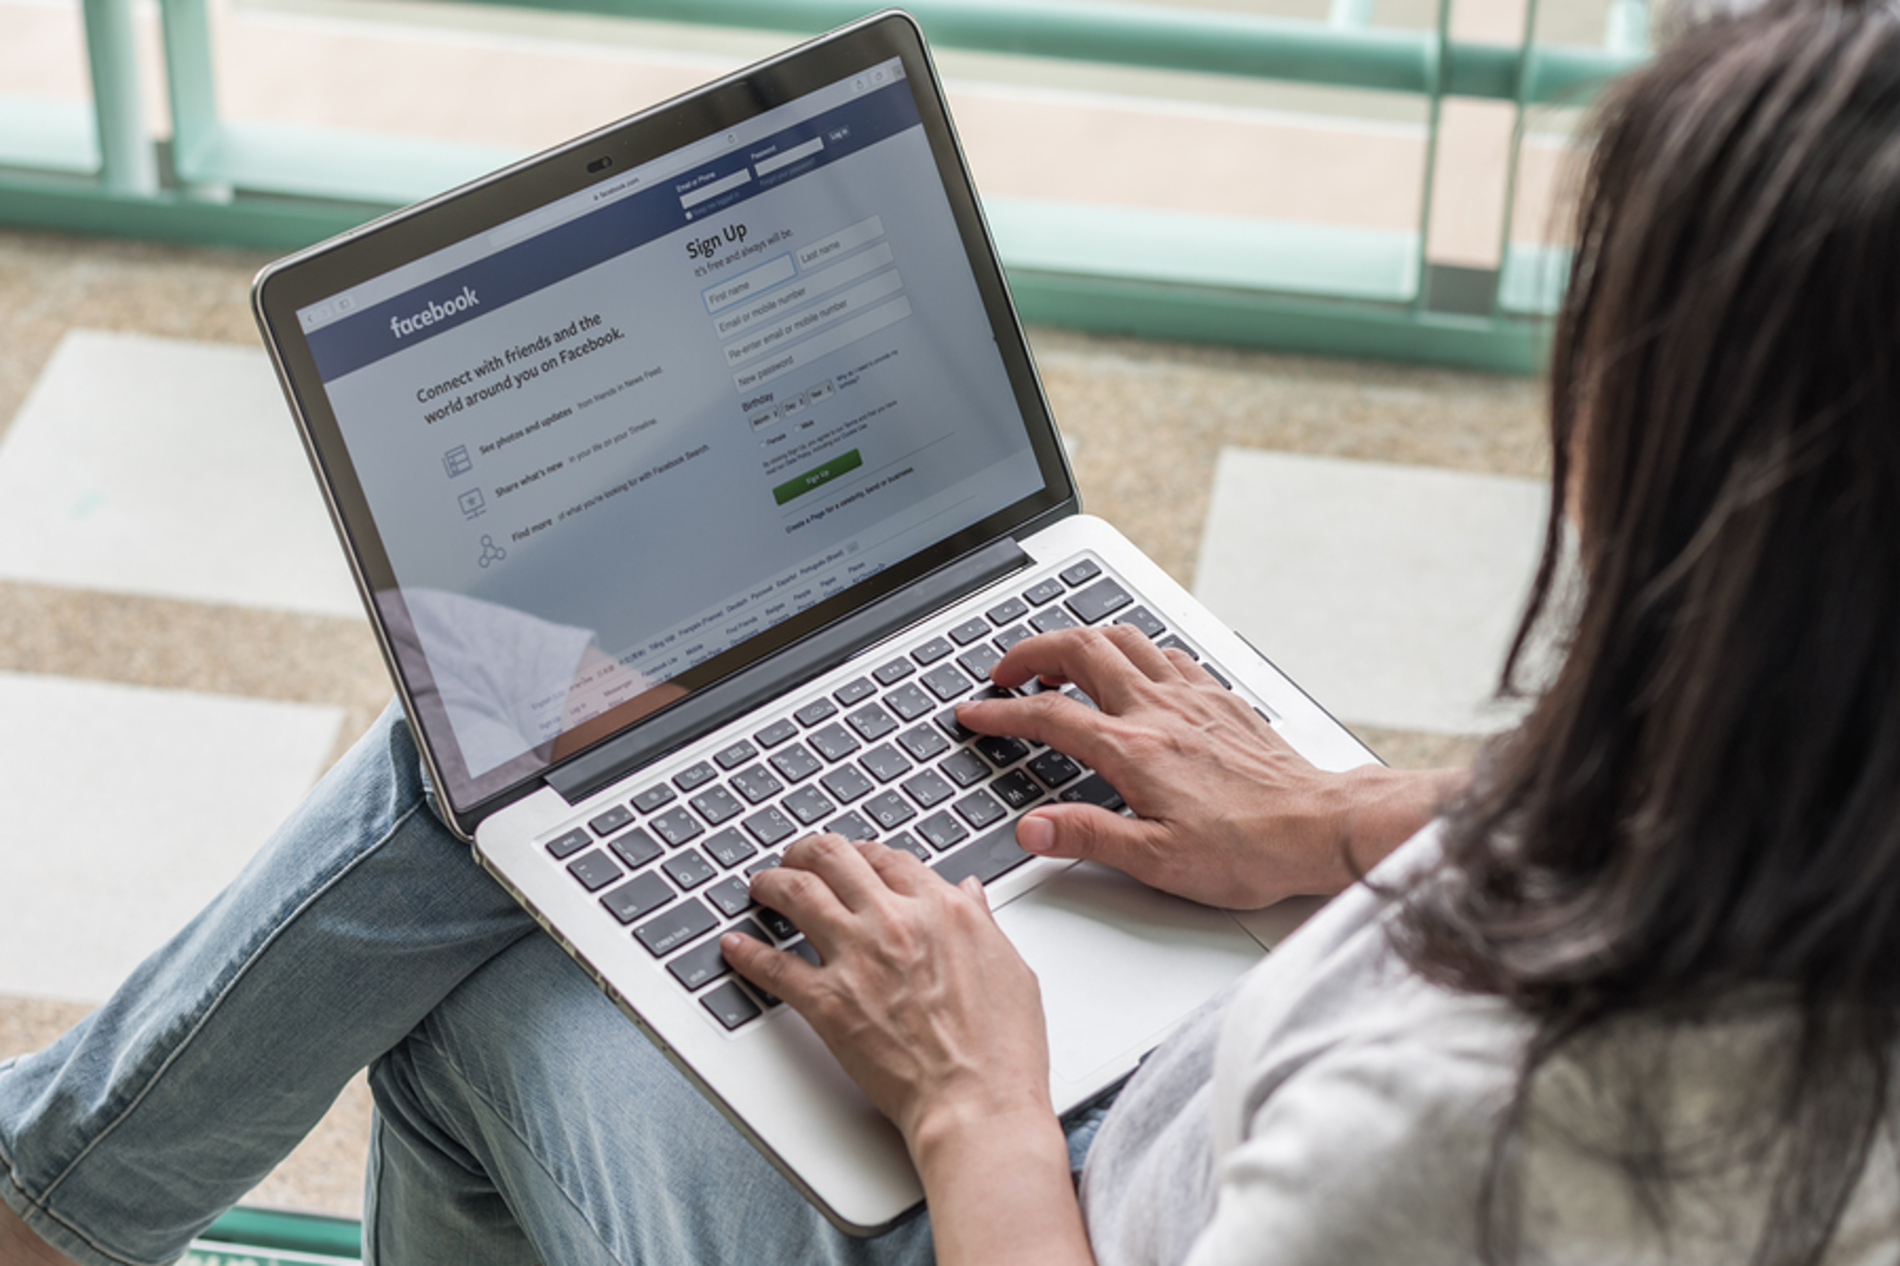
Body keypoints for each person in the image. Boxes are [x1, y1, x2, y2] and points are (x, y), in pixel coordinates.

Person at [7, 0, 1900, 1261]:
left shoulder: (1463, 1132)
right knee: (548, 765)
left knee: (483, 831)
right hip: (1184, 1097)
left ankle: (44, 1202)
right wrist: (1355, 818)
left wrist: (974, 1092)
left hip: (1044, 1201)